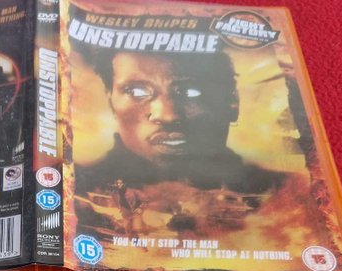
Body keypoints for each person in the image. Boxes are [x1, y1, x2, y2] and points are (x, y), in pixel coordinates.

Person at [77, 49, 282, 194]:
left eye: (191, 92)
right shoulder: (75, 187)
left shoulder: (283, 193)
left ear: (232, 103)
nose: (168, 116)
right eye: (137, 92)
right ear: (111, 101)